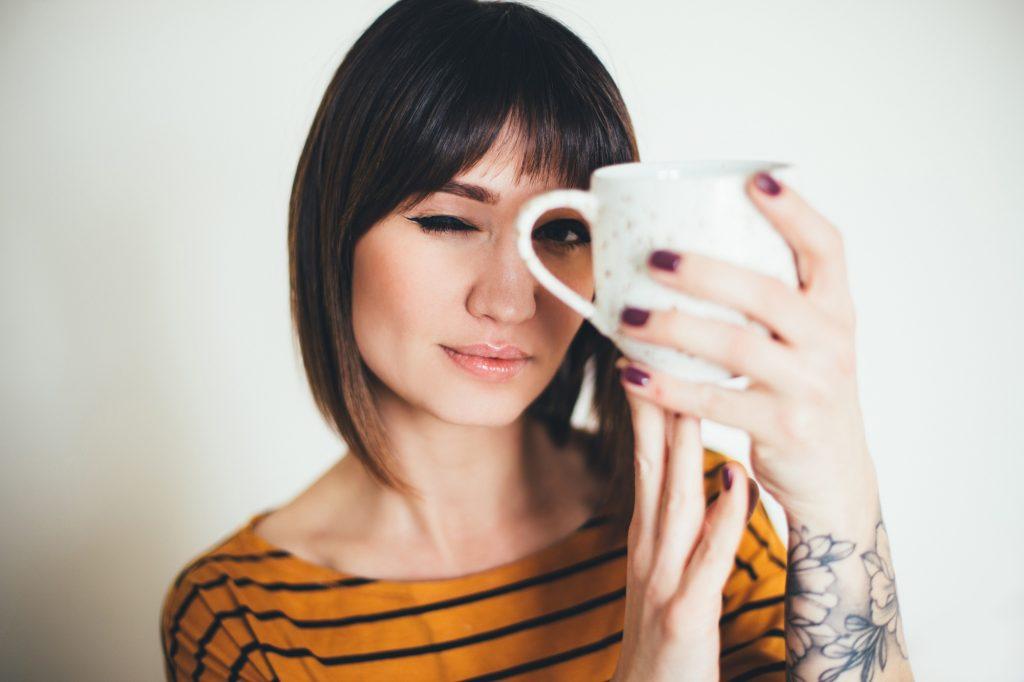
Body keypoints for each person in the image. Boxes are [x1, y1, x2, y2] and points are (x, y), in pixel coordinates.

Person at [160, 1, 912, 680]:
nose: (510, 299)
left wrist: (838, 492)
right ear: (336, 229)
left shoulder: (699, 519)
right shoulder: (245, 615)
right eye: (449, 221)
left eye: (559, 232)